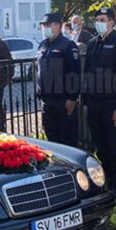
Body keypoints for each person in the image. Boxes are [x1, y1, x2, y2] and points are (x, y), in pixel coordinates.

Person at [82, 7, 116, 196]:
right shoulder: (93, 44)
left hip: (112, 104)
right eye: (97, 19)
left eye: (102, 19)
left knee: (114, 145)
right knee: (100, 145)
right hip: (95, 103)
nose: (99, 23)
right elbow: (87, 74)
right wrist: (86, 102)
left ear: (112, 22)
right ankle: (105, 180)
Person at [36, 12, 81, 146]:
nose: (45, 28)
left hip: (63, 101)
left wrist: (72, 98)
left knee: (67, 140)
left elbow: (75, 72)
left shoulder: (68, 45)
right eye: (44, 25)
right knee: (52, 141)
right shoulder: (42, 45)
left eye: (48, 25)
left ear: (58, 26)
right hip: (46, 101)